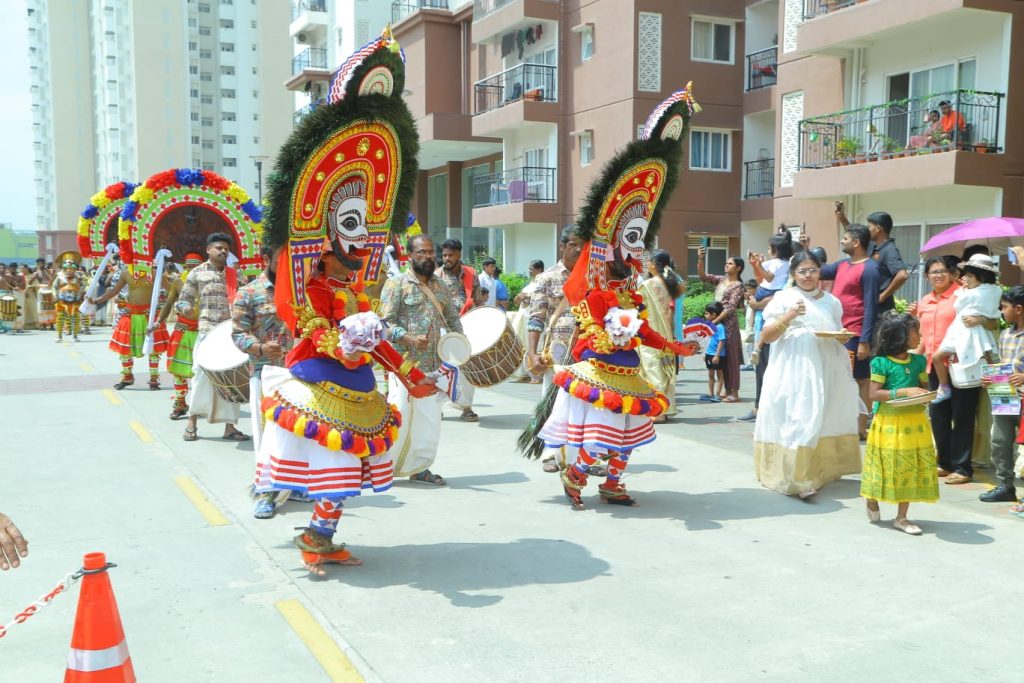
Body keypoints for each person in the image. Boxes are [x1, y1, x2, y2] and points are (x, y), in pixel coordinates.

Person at [253, 26, 432, 574]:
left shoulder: (357, 287)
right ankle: (305, 527)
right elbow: (303, 320)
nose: (361, 239)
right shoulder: (308, 279)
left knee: (348, 472)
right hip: (317, 376)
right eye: (349, 226)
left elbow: (371, 334)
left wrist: (407, 371)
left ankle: (322, 535)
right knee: (330, 462)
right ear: (326, 230)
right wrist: (344, 342)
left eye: (367, 226)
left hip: (356, 382)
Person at [518, 84, 697, 510]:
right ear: (611, 246)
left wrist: (674, 345)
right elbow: (593, 329)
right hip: (596, 370)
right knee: (598, 438)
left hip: (629, 371)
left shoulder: (629, 291)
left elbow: (643, 333)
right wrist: (607, 335)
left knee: (629, 436)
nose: (635, 253)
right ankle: (574, 477)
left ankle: (613, 485)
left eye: (639, 244)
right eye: (629, 243)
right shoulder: (594, 290)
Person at [753, 251, 861, 498]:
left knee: (823, 414)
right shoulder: (783, 298)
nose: (808, 275)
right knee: (798, 416)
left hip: (825, 366)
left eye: (812, 269)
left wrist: (842, 335)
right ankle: (796, 478)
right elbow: (767, 336)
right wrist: (790, 315)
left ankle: (821, 471)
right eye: (802, 271)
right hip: (793, 367)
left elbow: (835, 328)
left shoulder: (832, 301)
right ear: (793, 274)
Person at [380, 234, 463, 486]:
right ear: (409, 255)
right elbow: (384, 323)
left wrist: (462, 345)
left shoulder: (441, 286)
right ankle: (384, 468)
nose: (427, 257)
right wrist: (408, 338)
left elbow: (452, 318)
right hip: (402, 365)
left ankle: (421, 467)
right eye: (421, 252)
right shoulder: (396, 285)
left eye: (430, 252)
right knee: (399, 415)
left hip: (433, 366)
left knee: (428, 420)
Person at [232, 246, 295, 519]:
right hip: (264, 372)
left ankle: (295, 486)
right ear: (267, 260)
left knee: (297, 431)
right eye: (281, 262)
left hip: (298, 373)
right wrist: (258, 347)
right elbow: (237, 333)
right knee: (268, 435)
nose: (287, 267)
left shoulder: (299, 290)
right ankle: (266, 493)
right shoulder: (249, 292)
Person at [861, 313, 938, 535]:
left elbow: (924, 387)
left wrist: (928, 394)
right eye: (916, 332)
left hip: (915, 423)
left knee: (909, 467)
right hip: (889, 423)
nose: (920, 336)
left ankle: (902, 517)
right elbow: (874, 394)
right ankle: (871, 498)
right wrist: (904, 392)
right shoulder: (881, 363)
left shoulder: (919, 361)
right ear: (899, 336)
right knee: (886, 465)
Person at [911, 255, 985, 485]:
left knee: (962, 416)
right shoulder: (923, 302)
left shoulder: (962, 295)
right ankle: (944, 463)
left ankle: (963, 468)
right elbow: (924, 337)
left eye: (943, 271)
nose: (939, 275)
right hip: (934, 367)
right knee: (938, 416)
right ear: (926, 276)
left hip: (961, 364)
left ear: (952, 273)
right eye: (934, 272)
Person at [177, 232, 248, 442]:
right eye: (218, 247)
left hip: (231, 336)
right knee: (200, 377)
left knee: (231, 381)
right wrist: (186, 308)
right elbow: (183, 300)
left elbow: (246, 301)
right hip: (207, 334)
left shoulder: (236, 276)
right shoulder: (196, 273)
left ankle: (230, 428)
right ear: (208, 250)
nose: (222, 251)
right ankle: (192, 422)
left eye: (225, 248)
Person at [526, 226, 586, 473]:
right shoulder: (547, 278)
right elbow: (536, 317)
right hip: (558, 352)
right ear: (562, 247)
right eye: (572, 244)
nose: (578, 248)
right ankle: (550, 453)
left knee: (585, 404)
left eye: (582, 244)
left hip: (587, 351)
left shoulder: (593, 277)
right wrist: (532, 352)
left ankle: (584, 456)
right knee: (552, 402)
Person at [819, 224, 880, 438]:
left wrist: (865, 340)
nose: (842, 241)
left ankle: (860, 426)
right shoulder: (842, 264)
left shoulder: (870, 268)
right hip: (838, 333)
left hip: (855, 333)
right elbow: (818, 269)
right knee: (840, 378)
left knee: (861, 379)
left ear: (856, 242)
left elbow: (871, 306)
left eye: (845, 238)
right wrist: (801, 250)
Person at [931, 253, 1001, 404]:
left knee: (989, 361)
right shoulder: (989, 291)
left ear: (981, 276)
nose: (966, 279)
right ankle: (999, 394)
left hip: (973, 333)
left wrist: (963, 290)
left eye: (969, 276)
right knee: (989, 361)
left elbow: (960, 304)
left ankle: (944, 387)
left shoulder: (983, 292)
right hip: (964, 332)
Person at [977, 286, 1024, 504]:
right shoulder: (1005, 335)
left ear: (1019, 309)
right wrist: (990, 378)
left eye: (1004, 307)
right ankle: (1006, 485)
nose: (1001, 311)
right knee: (999, 441)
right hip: (1005, 396)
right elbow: (1001, 365)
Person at [152, 253, 204, 419]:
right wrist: (158, 321)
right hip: (182, 331)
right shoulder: (178, 283)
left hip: (203, 332)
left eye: (196, 266)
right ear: (185, 266)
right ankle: (180, 403)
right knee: (178, 371)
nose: (192, 269)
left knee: (203, 372)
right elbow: (168, 304)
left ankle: (202, 405)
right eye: (189, 266)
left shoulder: (209, 282)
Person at [435, 238, 480, 422]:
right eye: (444, 255)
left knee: (467, 366)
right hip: (442, 328)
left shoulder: (471, 274)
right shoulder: (436, 275)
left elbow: (477, 300)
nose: (447, 258)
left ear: (459, 254)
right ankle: (437, 407)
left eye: (450, 255)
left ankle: (466, 407)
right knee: (441, 368)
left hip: (466, 327)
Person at [638, 249, 684, 421]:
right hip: (665, 333)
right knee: (663, 371)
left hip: (652, 333)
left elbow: (635, 305)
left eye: (648, 261)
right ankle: (664, 408)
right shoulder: (670, 283)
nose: (646, 264)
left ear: (653, 265)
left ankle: (658, 411)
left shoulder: (649, 285)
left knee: (653, 369)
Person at [834, 208, 907, 313]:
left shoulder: (889, 250)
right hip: (866, 306)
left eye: (869, 227)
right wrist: (841, 217)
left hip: (881, 311)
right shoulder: (872, 245)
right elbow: (855, 234)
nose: (867, 230)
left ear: (877, 228)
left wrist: (882, 296)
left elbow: (902, 275)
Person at [696, 248, 744, 403]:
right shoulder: (722, 280)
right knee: (721, 357)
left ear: (738, 268)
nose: (726, 265)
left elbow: (730, 307)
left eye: (730, 264)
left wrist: (714, 322)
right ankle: (726, 390)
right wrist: (701, 258)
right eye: (726, 263)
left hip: (728, 324)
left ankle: (734, 392)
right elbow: (703, 276)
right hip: (716, 323)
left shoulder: (738, 286)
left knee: (731, 357)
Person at [509, 259, 545, 383]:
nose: (529, 271)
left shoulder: (543, 283)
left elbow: (543, 300)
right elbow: (516, 301)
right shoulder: (529, 284)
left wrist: (529, 297)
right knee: (521, 344)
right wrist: (519, 297)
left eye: (531, 269)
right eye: (529, 268)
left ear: (539, 270)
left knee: (535, 345)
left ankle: (536, 374)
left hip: (535, 318)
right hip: (522, 317)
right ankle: (524, 372)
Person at [52, 252, 85, 342]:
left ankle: (75, 336)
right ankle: (59, 336)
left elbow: (83, 286)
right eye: (67, 268)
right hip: (62, 301)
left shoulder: (79, 277)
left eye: (71, 268)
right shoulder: (59, 277)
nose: (69, 271)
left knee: (76, 318)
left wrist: (80, 292)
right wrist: (55, 296)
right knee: (60, 318)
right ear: (64, 268)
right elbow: (54, 287)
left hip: (75, 301)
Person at [700, 301, 727, 402]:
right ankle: (710, 393)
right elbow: (708, 340)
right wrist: (705, 353)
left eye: (707, 313)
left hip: (718, 355)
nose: (705, 315)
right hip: (709, 354)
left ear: (714, 314)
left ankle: (718, 394)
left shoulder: (720, 327)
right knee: (710, 374)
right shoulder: (710, 326)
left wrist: (717, 355)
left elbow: (722, 341)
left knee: (719, 375)